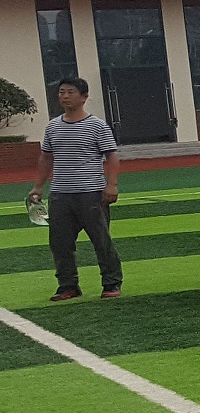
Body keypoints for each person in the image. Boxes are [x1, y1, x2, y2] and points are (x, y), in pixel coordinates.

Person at [39, 76, 120, 302]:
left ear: (84, 97)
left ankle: (111, 282)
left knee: (101, 241)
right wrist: (38, 187)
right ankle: (68, 285)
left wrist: (112, 184)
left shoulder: (97, 126)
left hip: (91, 193)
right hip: (60, 193)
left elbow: (112, 156)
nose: (65, 96)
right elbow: (46, 158)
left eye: (70, 92)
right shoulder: (53, 126)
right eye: (62, 92)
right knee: (60, 243)